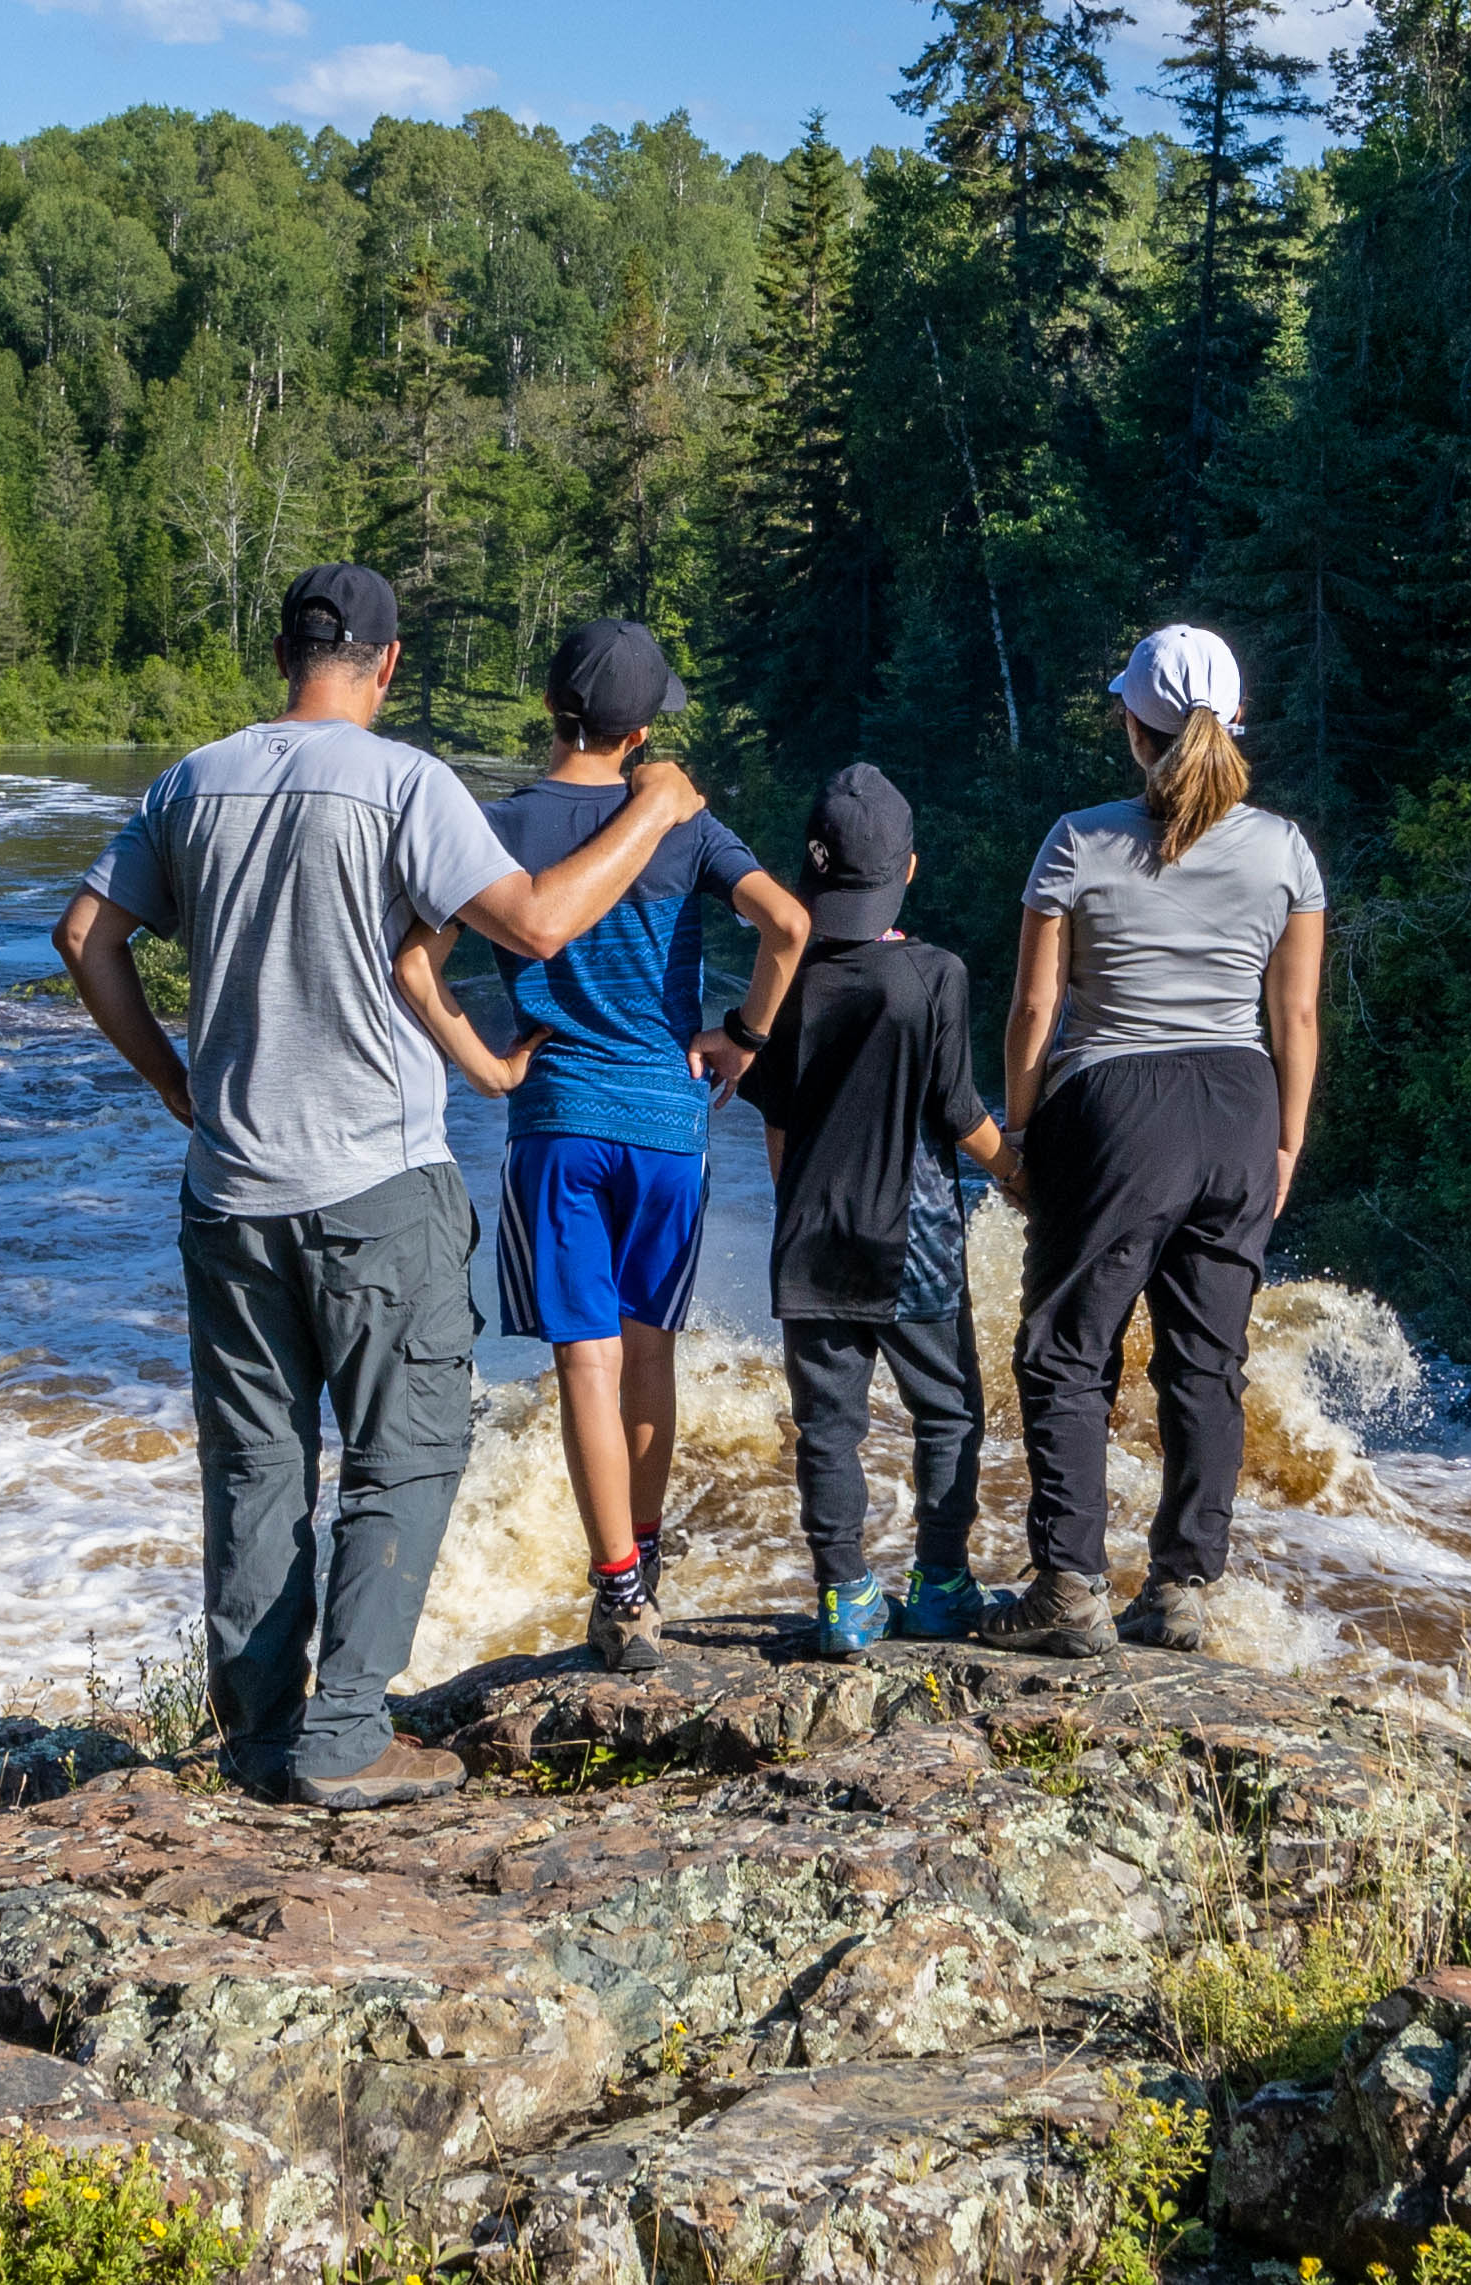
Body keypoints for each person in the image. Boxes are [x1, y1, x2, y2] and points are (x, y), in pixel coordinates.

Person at [53, 564, 706, 1809]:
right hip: (375, 1187)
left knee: (255, 1465)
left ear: (284, 653)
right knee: (405, 1449)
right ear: (389, 662)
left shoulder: (192, 778)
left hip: (229, 1185)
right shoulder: (408, 783)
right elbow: (537, 923)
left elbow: (86, 936)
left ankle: (255, 1739)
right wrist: (655, 806)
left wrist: (172, 1078)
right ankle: (347, 1729)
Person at [456, 619, 809, 1674]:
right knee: (650, 1351)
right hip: (669, 1123)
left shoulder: (500, 825)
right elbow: (788, 926)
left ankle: (615, 1590)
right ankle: (645, 1573)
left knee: (585, 1363)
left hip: (558, 1120)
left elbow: (409, 955)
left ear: (550, 705)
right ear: (643, 726)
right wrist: (741, 1039)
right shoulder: (684, 823)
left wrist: (484, 1060)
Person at [982, 624, 1325, 1660]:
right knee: (1207, 1364)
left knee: (1068, 1351)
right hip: (1239, 1102)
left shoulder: (1079, 839)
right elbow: (1296, 1018)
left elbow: (1037, 1005)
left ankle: (1070, 1588)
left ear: (1137, 727)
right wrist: (1286, 1144)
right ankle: (1180, 1589)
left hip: (1114, 1105)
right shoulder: (1284, 848)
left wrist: (1022, 1130)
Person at [738, 765, 1020, 1660]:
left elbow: (776, 1123)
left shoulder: (782, 982)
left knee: (827, 1425)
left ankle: (845, 1594)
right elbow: (960, 1113)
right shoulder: (935, 974)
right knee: (946, 1412)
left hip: (812, 1239)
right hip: (920, 1240)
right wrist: (1019, 1172)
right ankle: (939, 1584)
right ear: (910, 867)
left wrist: (798, 1214)